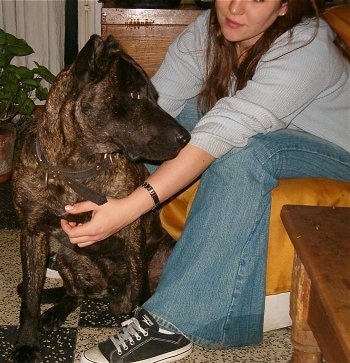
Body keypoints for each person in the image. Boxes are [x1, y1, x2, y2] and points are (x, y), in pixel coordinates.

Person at [61, 0, 350, 362]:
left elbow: (225, 128)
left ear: (284, 7)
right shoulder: (209, 30)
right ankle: (94, 227)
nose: (235, 7)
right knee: (166, 122)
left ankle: (170, 326)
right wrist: (105, 192)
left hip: (336, 151)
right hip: (271, 125)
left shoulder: (307, 45)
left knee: (242, 152)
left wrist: (129, 209)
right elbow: (160, 107)